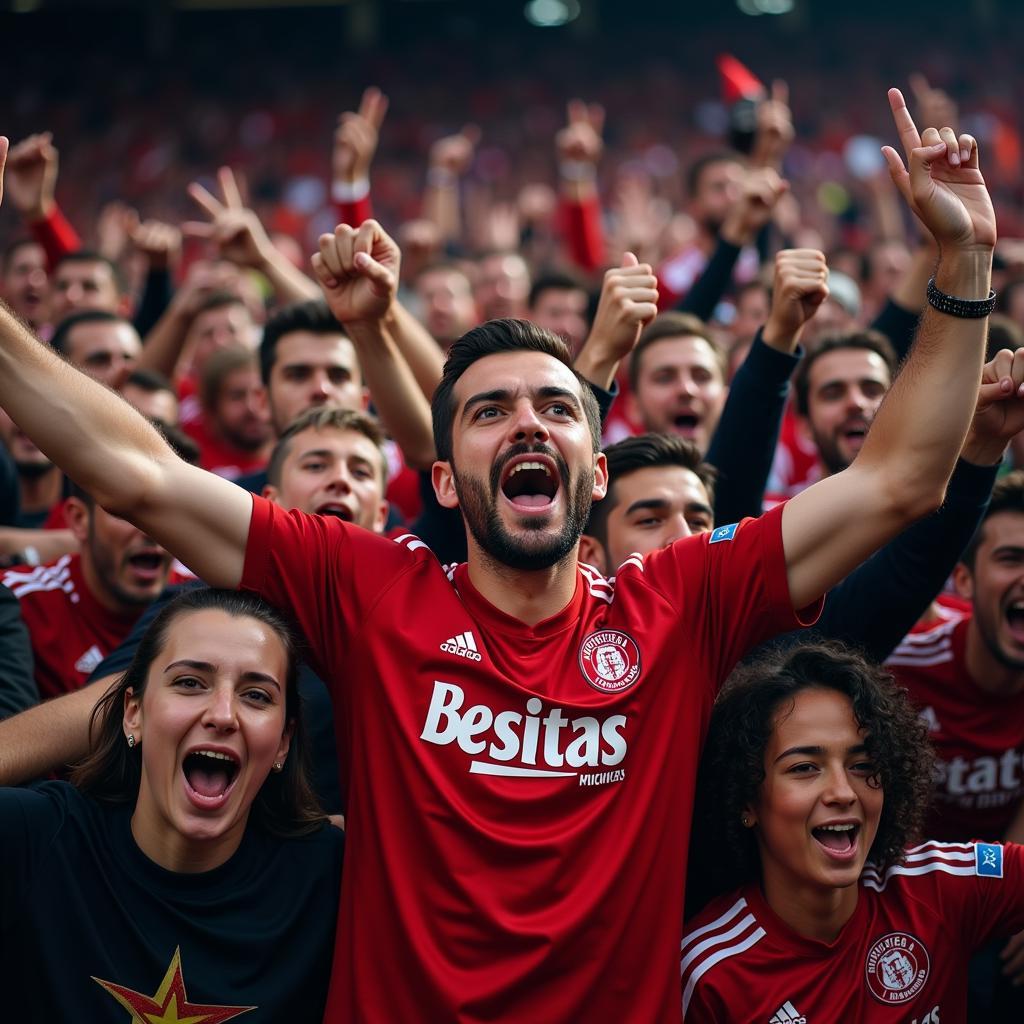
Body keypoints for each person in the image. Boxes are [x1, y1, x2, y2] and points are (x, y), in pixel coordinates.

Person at [0, 90, 999, 1020]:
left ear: (594, 469)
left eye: (557, 407)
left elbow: (902, 480)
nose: (528, 424)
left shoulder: (683, 601)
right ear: (441, 478)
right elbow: (134, 472)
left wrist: (963, 265)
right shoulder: (368, 585)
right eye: (489, 410)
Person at [0, 587, 343, 1021]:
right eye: (189, 683)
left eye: (256, 695)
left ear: (283, 743)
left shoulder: (328, 878)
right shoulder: (34, 839)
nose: (222, 714)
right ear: (133, 714)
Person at [680, 642, 1024, 1022]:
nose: (844, 792)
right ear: (746, 801)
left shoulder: (936, 890)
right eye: (805, 768)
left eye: (862, 765)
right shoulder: (711, 972)